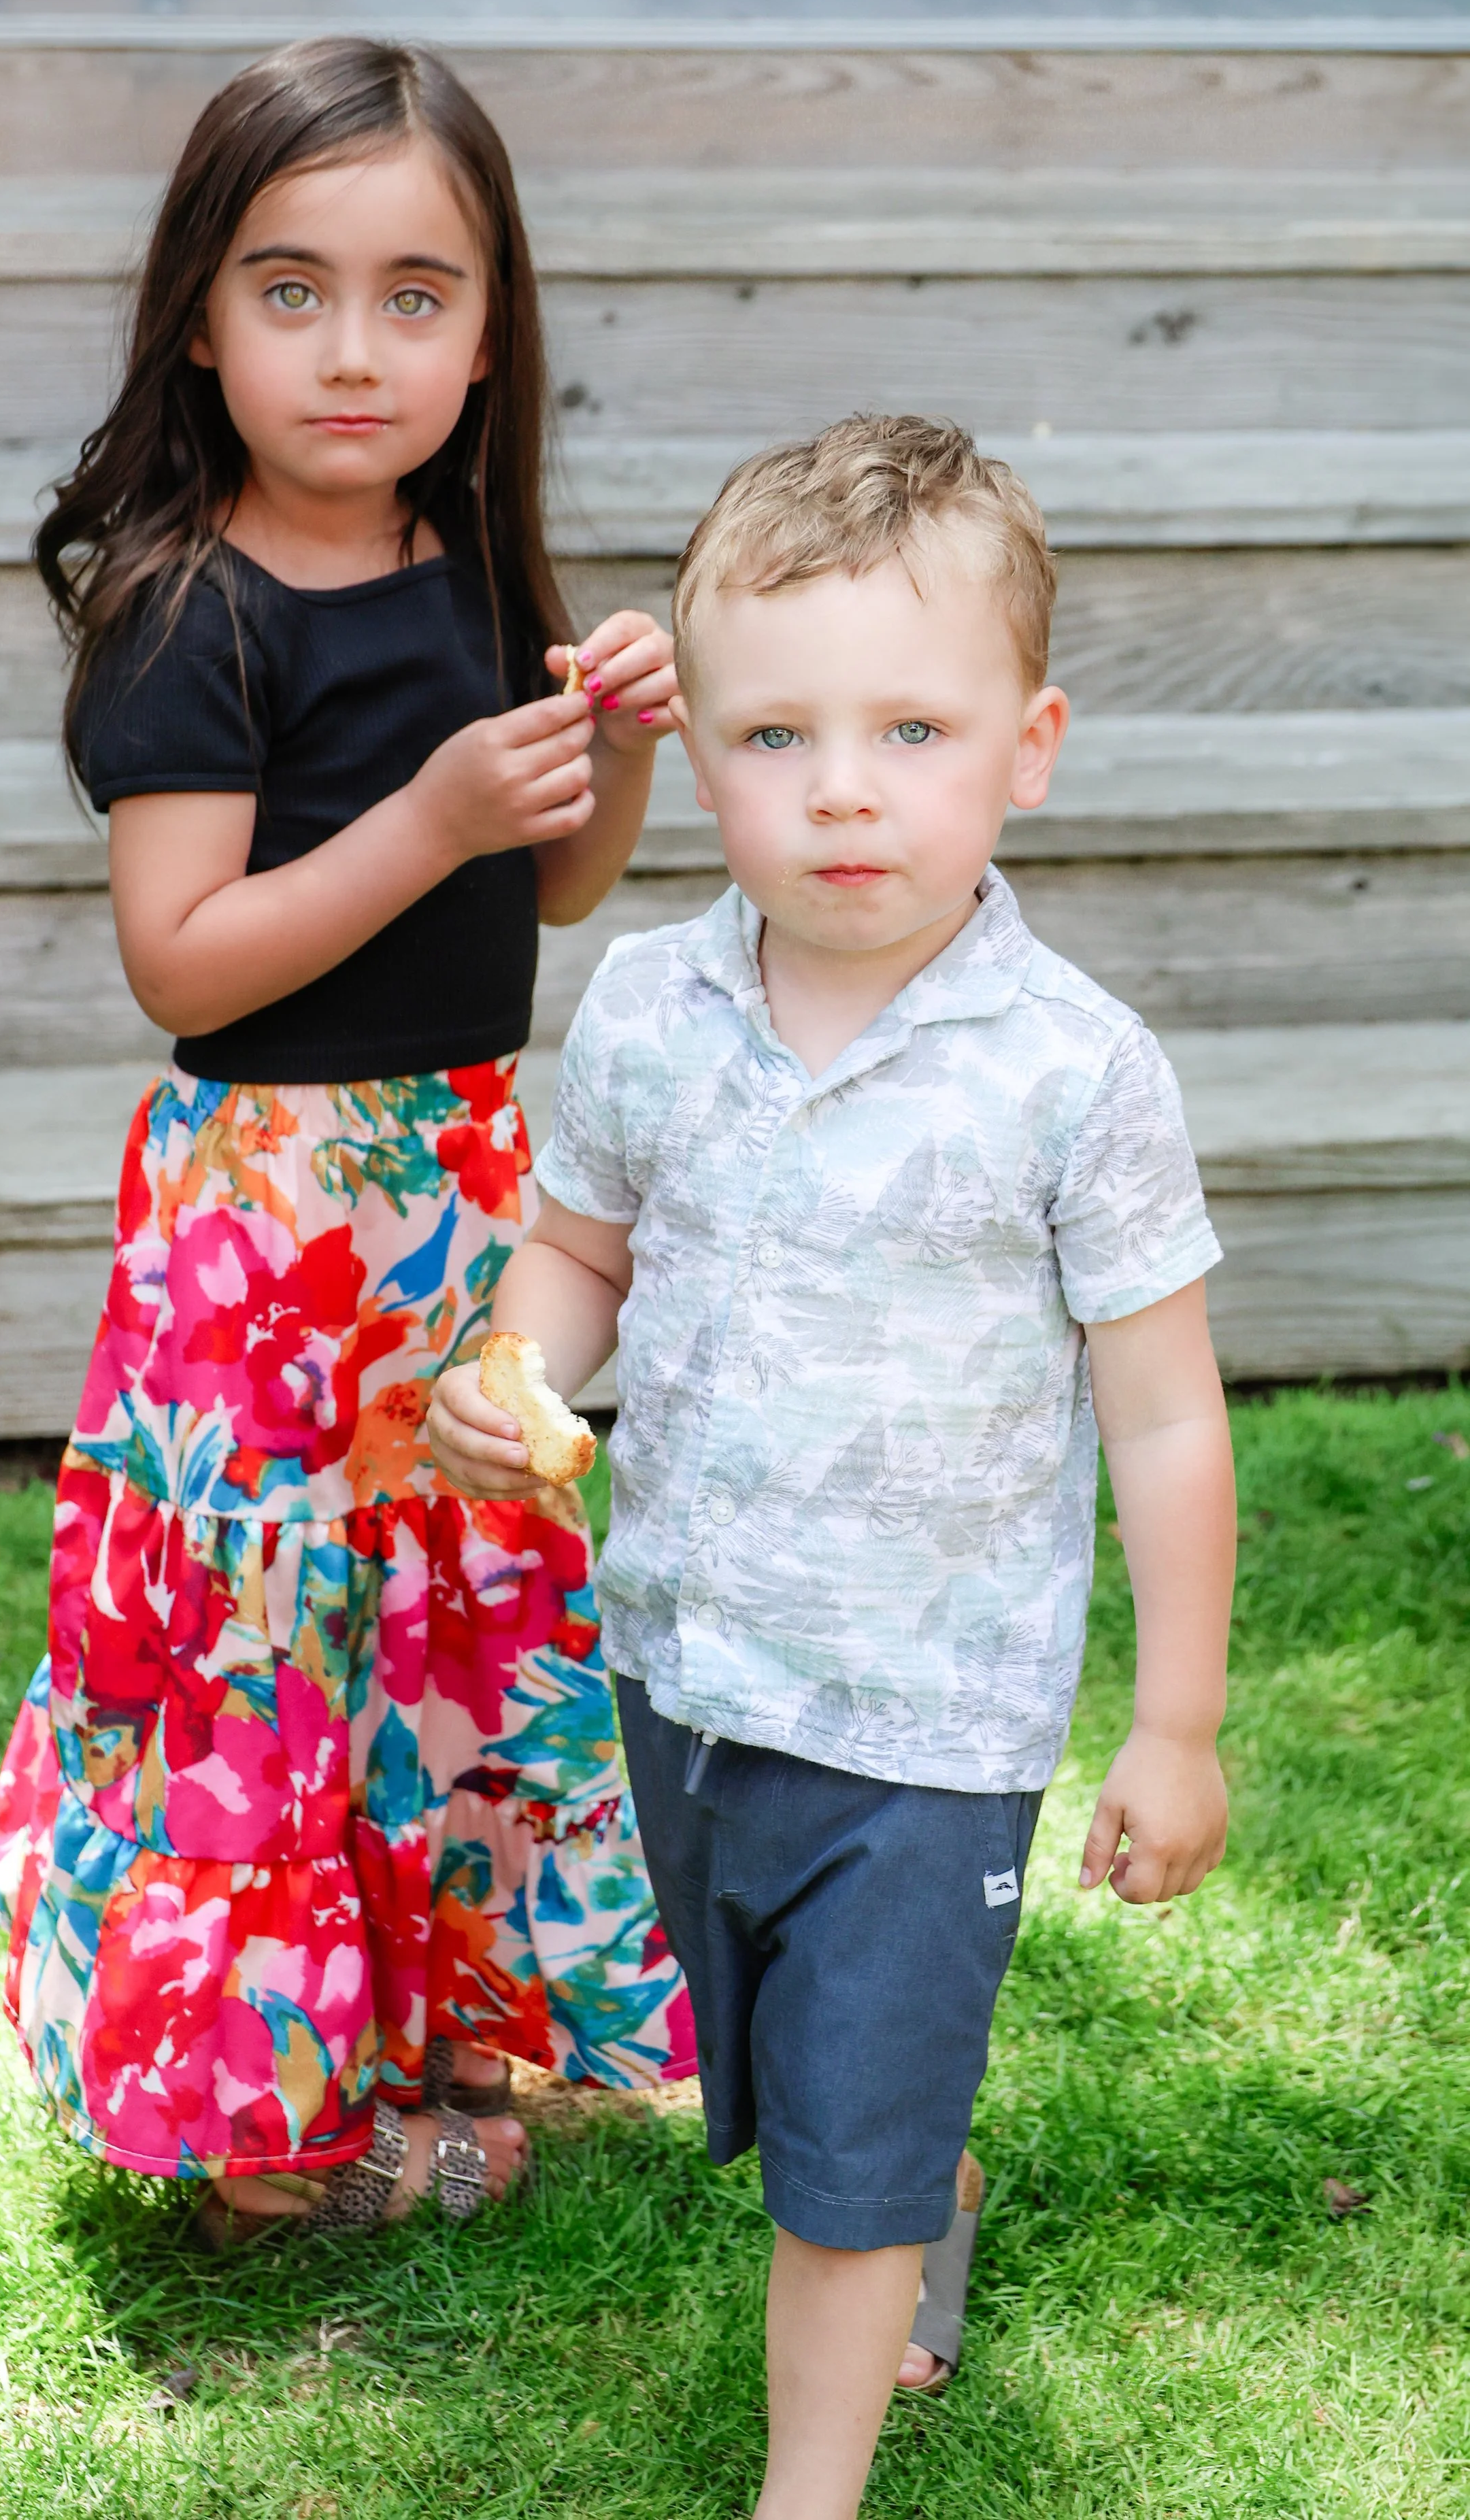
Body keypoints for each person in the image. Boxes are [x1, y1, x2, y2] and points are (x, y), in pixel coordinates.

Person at [430, 415, 1236, 2515]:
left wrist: (1172, 1723)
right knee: (797, 2076)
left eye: (910, 729)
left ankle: (814, 2475)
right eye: (776, 734)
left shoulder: (1073, 1070)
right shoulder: (648, 1008)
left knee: (837, 2161)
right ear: (700, 752)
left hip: (925, 1725)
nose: (843, 788)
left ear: (1026, 748)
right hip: (689, 1674)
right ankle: (906, 2154)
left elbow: (1162, 1407)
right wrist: (515, 1364)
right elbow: (582, 1250)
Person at [0, 34, 695, 2249]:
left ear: (489, 333)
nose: (355, 348)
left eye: (416, 294)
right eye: (291, 290)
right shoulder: (186, 607)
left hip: (454, 1193)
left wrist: (608, 748)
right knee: (273, 1625)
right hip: (269, 1223)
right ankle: (264, 2124)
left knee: (443, 1599)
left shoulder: (467, 569)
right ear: (201, 318)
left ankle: (445, 2021)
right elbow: (185, 956)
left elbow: (554, 895)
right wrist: (434, 809)